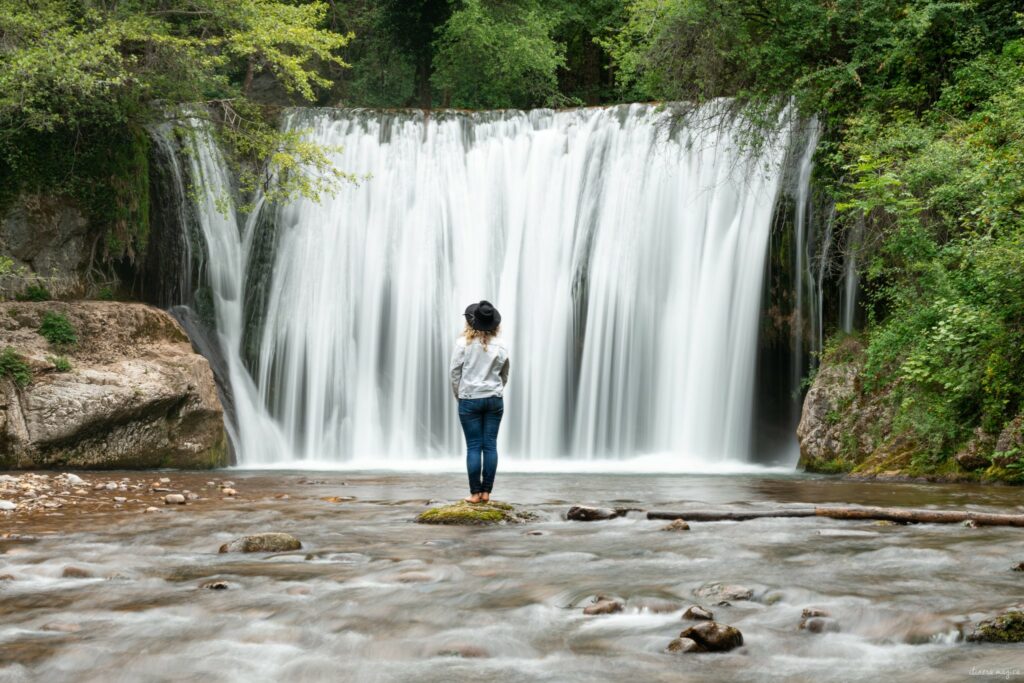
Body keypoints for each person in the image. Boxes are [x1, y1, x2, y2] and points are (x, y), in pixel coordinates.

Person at [449, 300, 509, 503]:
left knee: (474, 446)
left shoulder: (462, 344)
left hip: (469, 399)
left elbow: (455, 373)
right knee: (490, 446)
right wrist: (496, 390)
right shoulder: (501, 345)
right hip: (494, 399)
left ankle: (474, 493)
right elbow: (504, 374)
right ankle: (486, 493)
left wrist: (460, 395)